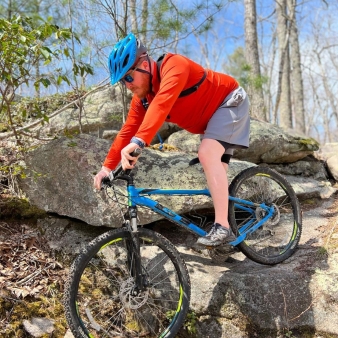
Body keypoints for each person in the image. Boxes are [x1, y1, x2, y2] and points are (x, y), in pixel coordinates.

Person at [94, 33, 250, 246]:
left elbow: (162, 103)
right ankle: (228, 239)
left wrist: (139, 142)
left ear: (145, 64)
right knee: (215, 169)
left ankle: (222, 227)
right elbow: (127, 131)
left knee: (207, 154)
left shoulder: (174, 65)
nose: (127, 85)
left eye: (128, 77)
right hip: (210, 122)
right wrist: (106, 168)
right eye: (122, 82)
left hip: (229, 101)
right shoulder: (142, 99)